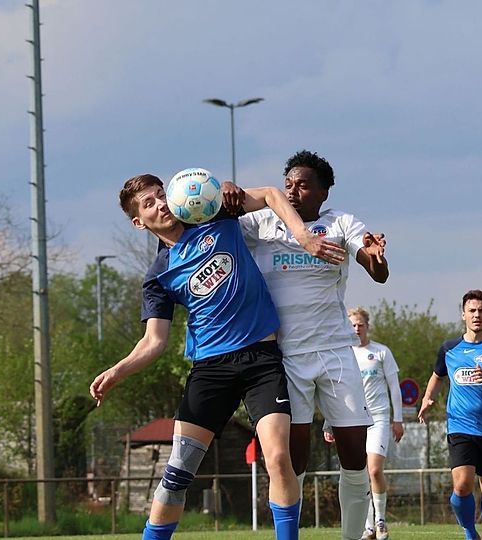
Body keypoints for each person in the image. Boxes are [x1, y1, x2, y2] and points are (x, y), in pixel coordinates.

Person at [90, 173, 344, 540]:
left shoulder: (213, 213)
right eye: (148, 203)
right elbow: (154, 341)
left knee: (278, 458)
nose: (160, 204)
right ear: (138, 222)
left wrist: (303, 236)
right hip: (211, 370)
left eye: (161, 195)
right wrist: (117, 371)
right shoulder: (158, 275)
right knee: (177, 472)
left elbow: (271, 194)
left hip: (261, 361)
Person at [227, 149, 388, 540]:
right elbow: (219, 217)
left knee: (354, 456)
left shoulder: (341, 222)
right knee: (292, 460)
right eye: (288, 185)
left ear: (323, 192)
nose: (292, 191)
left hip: (335, 353)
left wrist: (376, 257)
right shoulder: (265, 221)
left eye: (302, 185)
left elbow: (375, 269)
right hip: (284, 359)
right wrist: (228, 190)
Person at [417, 290, 482, 540]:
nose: (477, 315)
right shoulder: (449, 349)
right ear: (463, 314)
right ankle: (471, 533)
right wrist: (428, 398)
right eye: (472, 310)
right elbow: (437, 376)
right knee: (462, 486)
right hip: (459, 426)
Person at [324, 307, 404, 540]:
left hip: (378, 417)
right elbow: (333, 391)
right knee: (359, 472)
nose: (357, 329)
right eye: (352, 325)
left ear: (367, 326)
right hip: (353, 419)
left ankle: (380, 520)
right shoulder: (342, 355)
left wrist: (398, 419)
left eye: (360, 324)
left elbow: (394, 388)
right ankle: (368, 526)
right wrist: (328, 423)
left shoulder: (381, 352)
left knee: (375, 470)